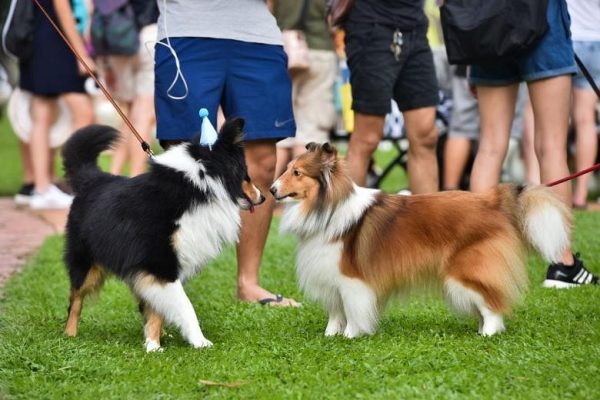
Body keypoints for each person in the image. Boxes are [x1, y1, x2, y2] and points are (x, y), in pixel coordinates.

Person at [154, 0, 299, 305]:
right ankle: (167, 280)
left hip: (256, 36)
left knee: (262, 161)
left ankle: (249, 283)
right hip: (185, 31)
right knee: (183, 161)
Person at [468, 0, 598, 287]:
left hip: (488, 23)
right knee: (551, 145)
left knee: (490, 146)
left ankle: (478, 250)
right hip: (544, 21)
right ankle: (562, 264)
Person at [343, 0, 439, 193]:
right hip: (373, 26)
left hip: (416, 28)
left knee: (425, 135)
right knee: (367, 137)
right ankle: (344, 222)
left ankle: (428, 221)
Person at [18, 0, 95, 209]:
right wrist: (81, 53)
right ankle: (70, 184)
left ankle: (42, 187)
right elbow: (61, 5)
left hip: (36, 37)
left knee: (42, 113)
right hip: (54, 40)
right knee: (83, 112)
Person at [272, 0, 337, 177]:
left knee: (278, 134)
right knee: (311, 132)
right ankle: (308, 200)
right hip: (320, 48)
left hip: (281, 47)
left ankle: (264, 201)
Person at [103, 1, 158, 177]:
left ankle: (113, 175)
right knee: (143, 113)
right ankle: (136, 178)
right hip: (149, 33)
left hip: (117, 38)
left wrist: (105, 62)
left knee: (131, 112)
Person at [566, 0, 600, 209]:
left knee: (549, 122)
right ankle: (580, 194)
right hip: (596, 40)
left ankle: (541, 184)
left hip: (565, 39)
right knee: (586, 120)